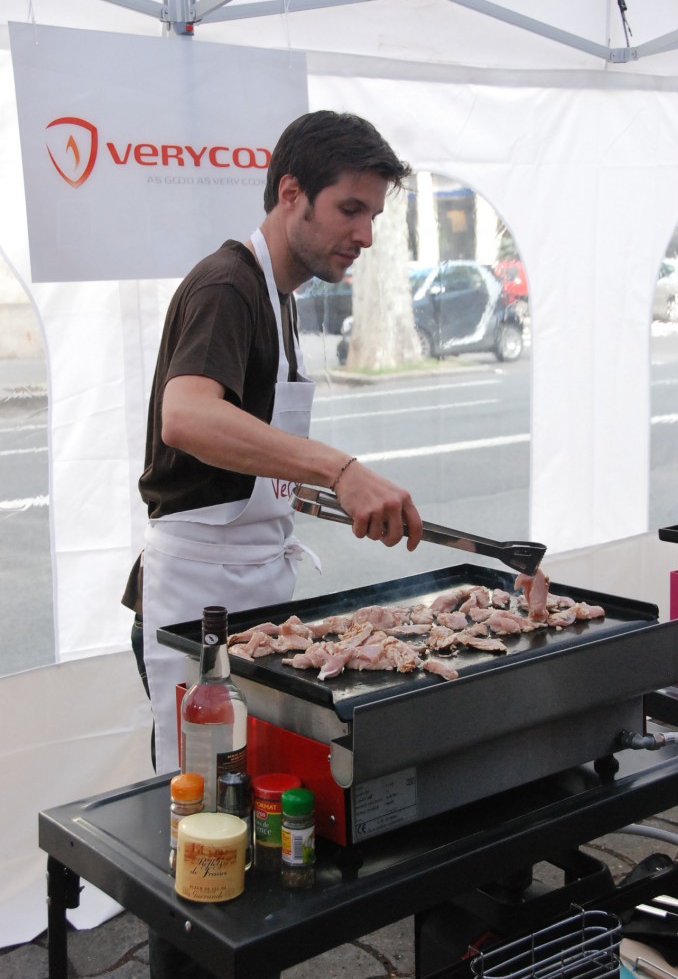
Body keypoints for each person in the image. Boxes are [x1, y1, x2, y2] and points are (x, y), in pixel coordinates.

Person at [122, 109, 422, 977]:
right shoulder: (228, 285)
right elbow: (187, 417)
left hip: (253, 593)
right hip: (198, 607)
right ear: (291, 193)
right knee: (198, 837)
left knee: (249, 829)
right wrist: (338, 468)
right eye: (349, 209)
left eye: (373, 215)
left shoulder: (280, 299)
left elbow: (244, 464)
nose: (364, 234)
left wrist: (328, 497)